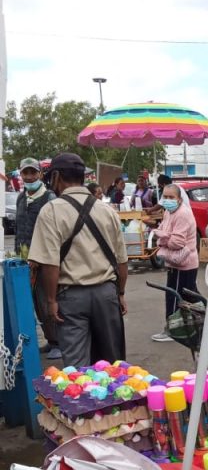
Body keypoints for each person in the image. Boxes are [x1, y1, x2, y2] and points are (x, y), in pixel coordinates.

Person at [28, 152, 128, 368]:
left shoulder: (50, 211)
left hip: (71, 298)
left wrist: (51, 301)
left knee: (77, 368)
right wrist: (120, 293)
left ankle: (84, 401)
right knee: (112, 365)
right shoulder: (106, 210)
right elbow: (122, 261)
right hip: (107, 295)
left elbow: (49, 264)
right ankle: (114, 402)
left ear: (56, 177)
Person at [14, 157, 61, 358]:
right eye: (26, 173)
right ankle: (51, 340)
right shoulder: (21, 197)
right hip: (25, 259)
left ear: (40, 174)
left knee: (48, 300)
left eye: (33, 172)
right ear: (21, 174)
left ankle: (60, 342)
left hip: (45, 260)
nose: (30, 176)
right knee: (35, 302)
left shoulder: (49, 198)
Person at [150, 184, 198, 343]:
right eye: (165, 197)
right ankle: (206, 322)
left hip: (182, 264)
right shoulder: (169, 212)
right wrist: (163, 235)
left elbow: (177, 242)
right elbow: (164, 230)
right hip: (178, 263)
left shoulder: (182, 214)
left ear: (179, 199)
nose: (168, 200)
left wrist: (162, 238)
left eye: (171, 197)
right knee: (190, 295)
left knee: (174, 296)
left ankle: (172, 330)